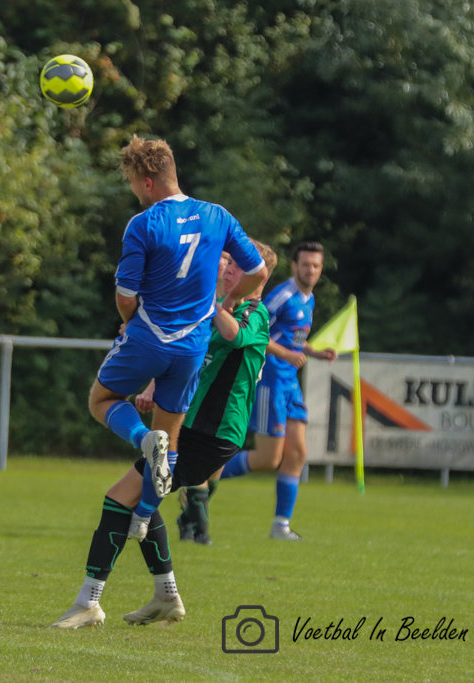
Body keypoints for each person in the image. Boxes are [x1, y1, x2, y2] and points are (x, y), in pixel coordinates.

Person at [53, 240, 276, 629]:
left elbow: (232, 335)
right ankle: (165, 596)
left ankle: (90, 602)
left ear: (260, 277)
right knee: (135, 498)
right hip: (187, 429)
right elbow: (180, 352)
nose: (228, 269)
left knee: (121, 498)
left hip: (212, 436)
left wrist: (206, 300)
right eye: (227, 264)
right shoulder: (215, 310)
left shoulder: (255, 314)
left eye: (238, 266)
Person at [88, 134, 266, 542]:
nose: (133, 191)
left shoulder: (144, 223)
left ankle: (141, 438)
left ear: (148, 182)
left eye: (133, 183)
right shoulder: (218, 215)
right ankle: (143, 516)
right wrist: (227, 301)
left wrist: (130, 322)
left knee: (101, 401)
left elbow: (126, 296)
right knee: (170, 444)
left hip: (149, 337)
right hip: (192, 347)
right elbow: (258, 272)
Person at [217, 241, 337, 540]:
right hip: (270, 379)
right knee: (268, 459)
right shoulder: (283, 296)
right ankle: (204, 476)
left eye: (316, 265)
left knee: (297, 453)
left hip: (290, 383)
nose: (311, 270)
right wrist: (285, 355)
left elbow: (292, 338)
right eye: (305, 264)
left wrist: (315, 352)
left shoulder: (308, 299)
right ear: (294, 266)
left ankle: (281, 526)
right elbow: (256, 331)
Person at [136, 251, 231, 545]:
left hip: (221, 397)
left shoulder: (239, 304)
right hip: (190, 390)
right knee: (183, 458)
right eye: (222, 257)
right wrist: (152, 388)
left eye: (230, 260)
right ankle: (195, 528)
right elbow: (173, 349)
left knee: (213, 467)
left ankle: (185, 517)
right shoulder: (195, 297)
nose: (226, 264)